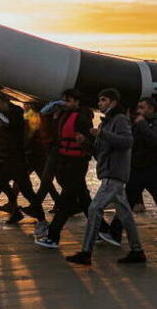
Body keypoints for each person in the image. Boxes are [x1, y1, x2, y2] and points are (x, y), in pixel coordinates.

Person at [65, 88, 146, 265]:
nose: (100, 103)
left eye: (103, 100)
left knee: (94, 208)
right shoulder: (106, 122)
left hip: (114, 173)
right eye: (99, 100)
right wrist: (85, 143)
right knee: (125, 214)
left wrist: (101, 133)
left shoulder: (120, 120)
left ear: (113, 102)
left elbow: (127, 142)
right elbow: (99, 151)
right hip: (109, 173)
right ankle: (137, 251)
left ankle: (86, 252)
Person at [35, 89, 110, 249]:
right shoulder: (62, 115)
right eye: (64, 100)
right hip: (65, 161)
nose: (65, 103)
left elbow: (91, 143)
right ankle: (103, 229)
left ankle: (53, 236)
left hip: (77, 163)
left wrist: (83, 141)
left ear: (77, 102)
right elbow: (45, 120)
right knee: (84, 200)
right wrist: (53, 108)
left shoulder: (82, 118)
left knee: (66, 201)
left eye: (68, 100)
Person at [106, 97, 157, 246]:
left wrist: (141, 123)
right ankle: (114, 234)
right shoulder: (136, 123)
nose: (139, 111)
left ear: (151, 109)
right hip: (137, 169)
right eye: (138, 108)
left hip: (152, 170)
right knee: (126, 202)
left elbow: (154, 140)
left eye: (142, 108)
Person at [0, 93, 48, 236]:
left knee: (28, 192)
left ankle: (42, 221)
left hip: (16, 161)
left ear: (3, 102)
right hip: (3, 161)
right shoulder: (2, 113)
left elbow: (7, 124)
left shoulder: (15, 113)